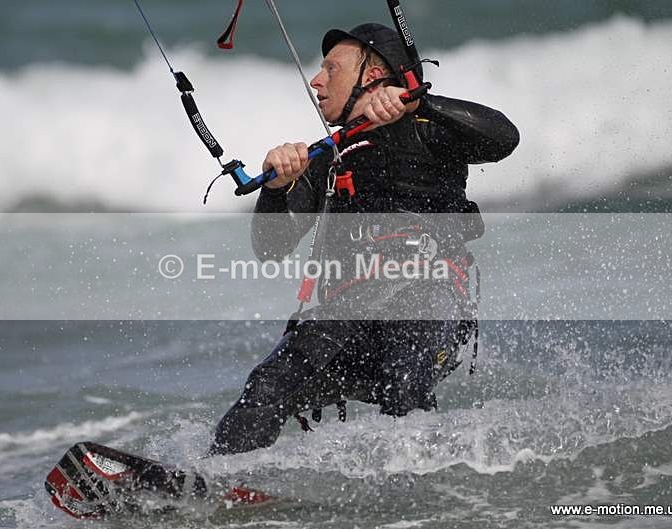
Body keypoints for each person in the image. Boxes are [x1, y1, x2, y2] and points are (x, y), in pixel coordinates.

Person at [209, 23, 519, 455]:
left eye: (331, 70)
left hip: (428, 298)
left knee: (404, 379)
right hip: (349, 316)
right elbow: (270, 248)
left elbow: (504, 137)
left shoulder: (427, 127)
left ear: (371, 77)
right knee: (268, 385)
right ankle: (220, 485)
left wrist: (419, 103)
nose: (316, 82)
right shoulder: (324, 159)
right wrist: (277, 186)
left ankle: (412, 500)